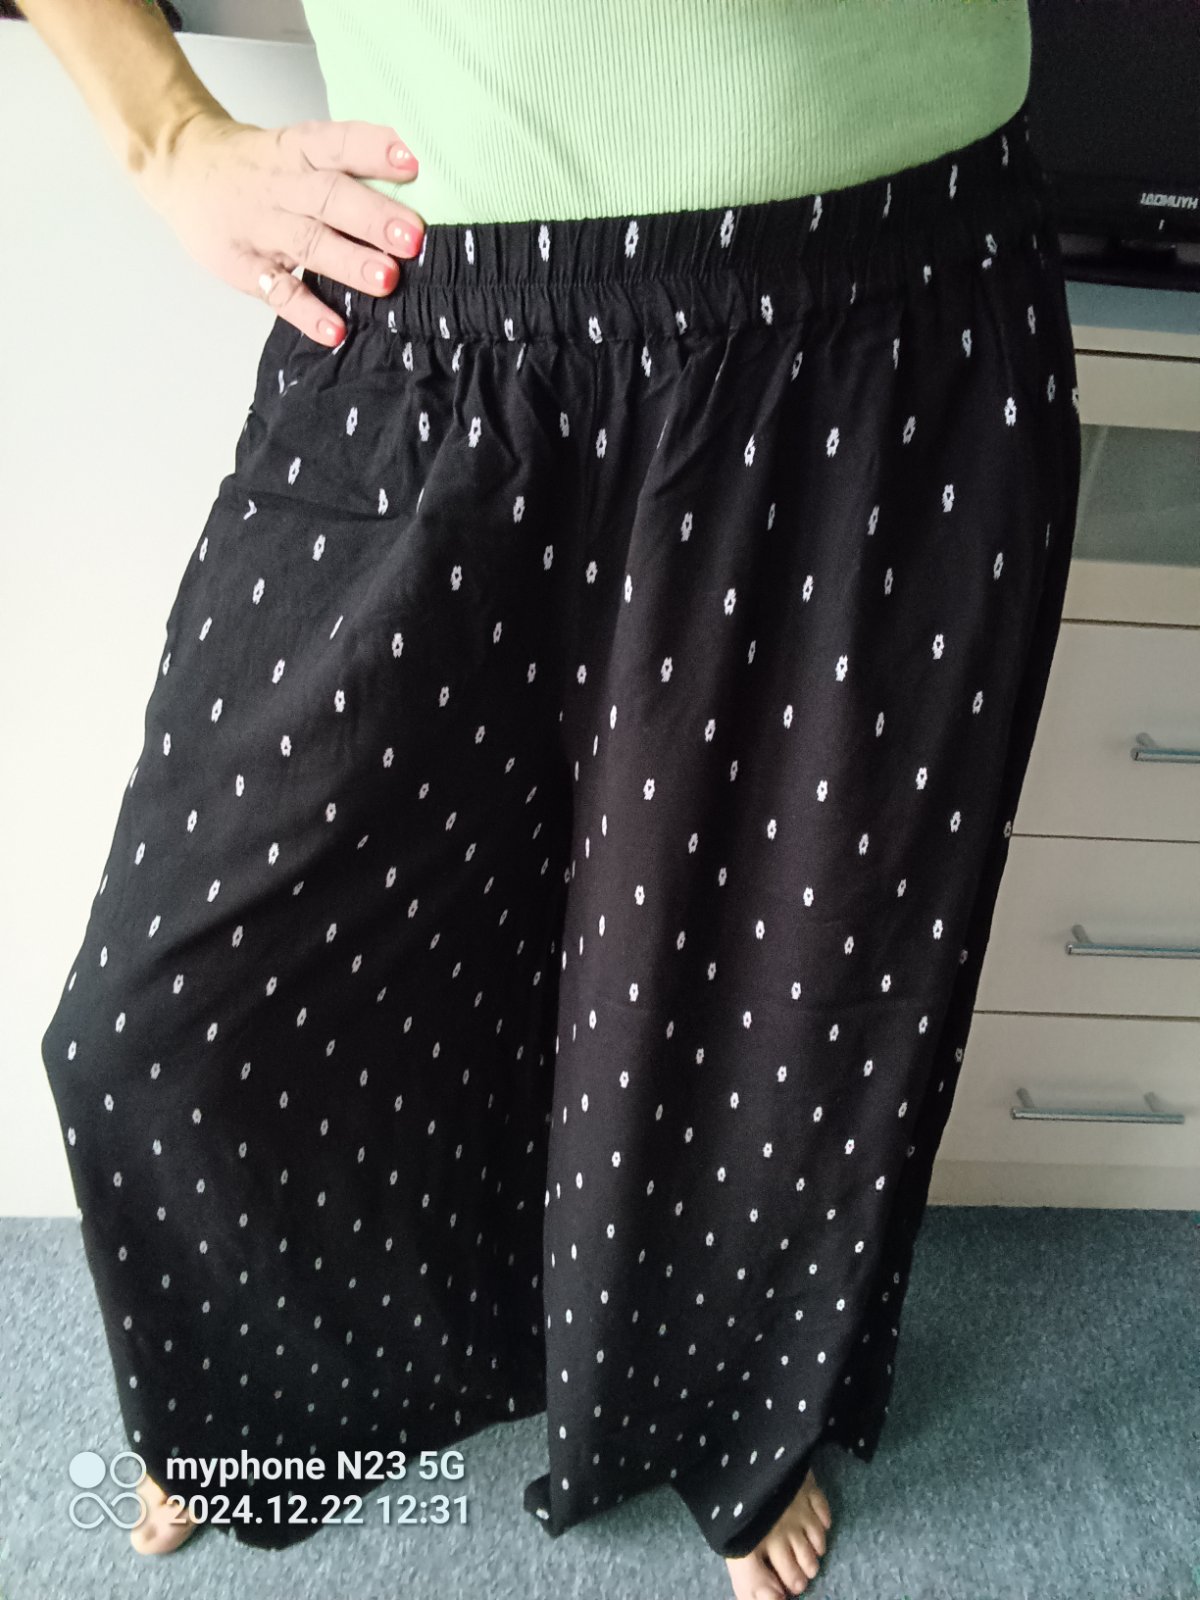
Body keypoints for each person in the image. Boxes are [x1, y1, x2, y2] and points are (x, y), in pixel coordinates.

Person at [21, 2, 1080, 1597]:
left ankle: (731, 1415)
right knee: (156, 1019)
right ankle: (256, 1400)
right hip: (425, 320)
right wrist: (170, 137)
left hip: (876, 305)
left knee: (775, 995)